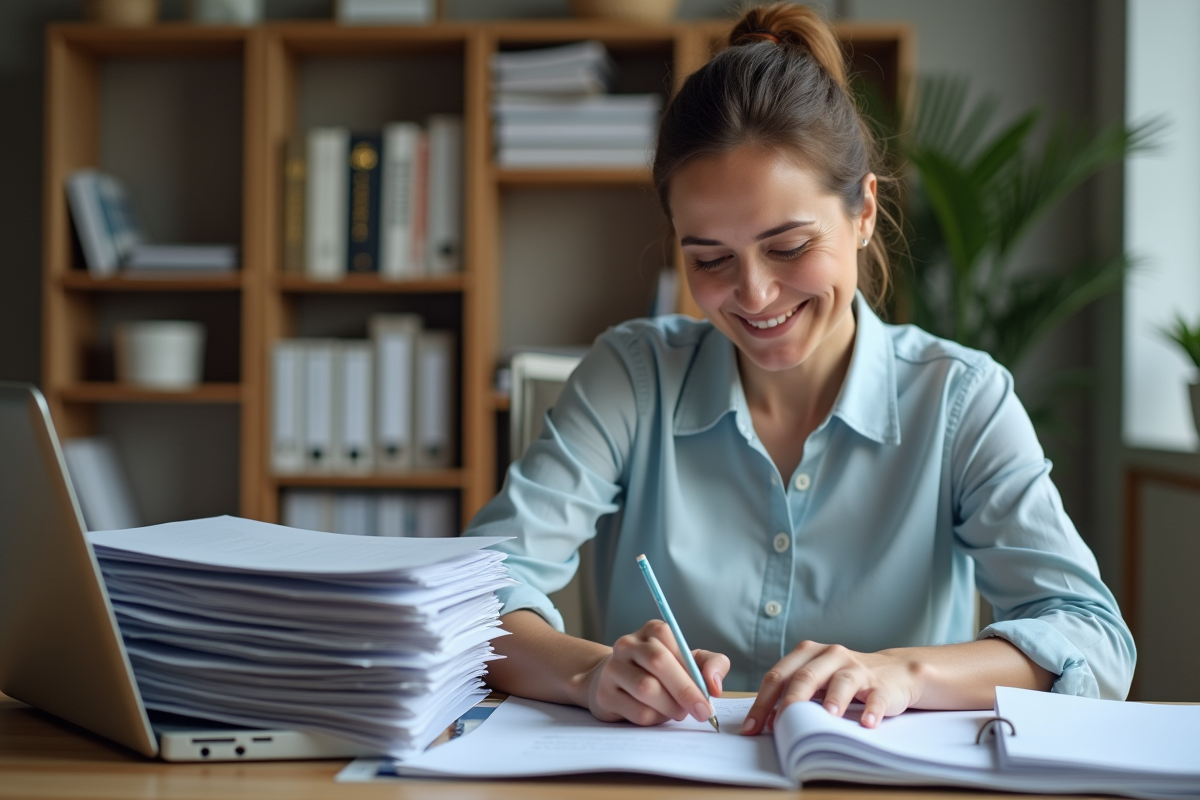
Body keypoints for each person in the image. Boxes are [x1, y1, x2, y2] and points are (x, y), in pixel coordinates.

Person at [465, 2, 1134, 734]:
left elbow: (1090, 638)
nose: (753, 295)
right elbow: (473, 598)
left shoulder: (960, 399)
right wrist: (589, 672)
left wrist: (904, 673)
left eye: (787, 247)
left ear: (865, 211)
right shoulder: (632, 376)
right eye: (710, 259)